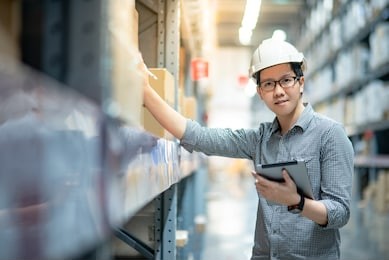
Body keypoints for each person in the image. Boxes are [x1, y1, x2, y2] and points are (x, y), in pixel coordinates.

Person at [142, 37, 354, 260]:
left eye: (286, 80)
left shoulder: (330, 135)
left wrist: (297, 201)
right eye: (269, 84)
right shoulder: (260, 139)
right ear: (260, 92)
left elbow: (339, 213)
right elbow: (199, 136)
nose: (279, 91)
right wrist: (146, 91)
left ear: (301, 82)